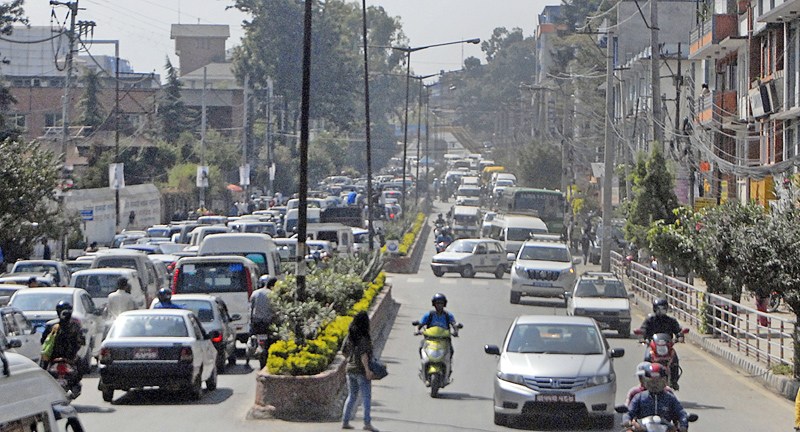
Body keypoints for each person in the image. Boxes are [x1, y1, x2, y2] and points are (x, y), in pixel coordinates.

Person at [623, 363, 689, 432]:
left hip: (667, 429)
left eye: (658, 382)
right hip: (641, 429)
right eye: (651, 382)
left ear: (665, 381)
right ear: (645, 381)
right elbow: (629, 413)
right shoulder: (639, 397)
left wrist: (683, 425)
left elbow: (681, 413)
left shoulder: (670, 398)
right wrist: (626, 420)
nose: (654, 385)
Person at [341, 311, 379, 431]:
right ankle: (367, 423)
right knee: (366, 397)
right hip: (361, 371)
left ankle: (345, 421)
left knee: (352, 396)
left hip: (350, 370)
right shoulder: (364, 338)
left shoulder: (350, 336)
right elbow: (364, 356)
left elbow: (343, 351)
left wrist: (351, 359)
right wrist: (368, 371)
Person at [639, 298, 684, 389]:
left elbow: (678, 330)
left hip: (667, 347)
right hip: (653, 347)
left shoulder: (671, 321)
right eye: (658, 309)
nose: (660, 311)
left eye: (663, 309)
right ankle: (644, 381)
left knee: (675, 360)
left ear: (666, 309)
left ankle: (674, 381)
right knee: (646, 359)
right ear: (654, 309)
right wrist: (643, 338)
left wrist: (679, 336)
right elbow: (643, 329)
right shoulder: (650, 320)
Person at [40, 301, 85, 372]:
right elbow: (43, 341)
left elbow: (43, 340)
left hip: (69, 359)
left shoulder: (75, 326)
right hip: (56, 359)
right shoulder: (52, 326)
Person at [415, 293, 460, 362]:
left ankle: (448, 365)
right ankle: (424, 362)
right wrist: (417, 330)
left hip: (444, 339)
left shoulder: (448, 315)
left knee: (451, 350)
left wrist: (456, 331)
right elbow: (420, 324)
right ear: (434, 304)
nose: (439, 305)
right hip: (430, 339)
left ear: (444, 304)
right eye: (437, 303)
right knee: (421, 347)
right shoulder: (429, 315)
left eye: (441, 303)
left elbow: (454, 324)